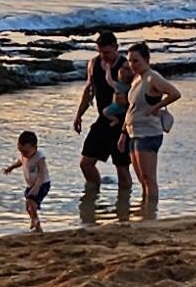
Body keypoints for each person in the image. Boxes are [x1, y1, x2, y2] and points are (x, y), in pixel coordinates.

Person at [69, 31, 127, 197]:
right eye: (100, 52)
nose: (104, 56)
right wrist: (79, 115)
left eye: (107, 52)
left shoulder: (125, 66)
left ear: (116, 48)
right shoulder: (94, 63)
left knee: (122, 169)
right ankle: (93, 197)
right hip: (103, 120)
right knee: (86, 163)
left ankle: (124, 208)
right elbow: (89, 90)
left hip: (122, 122)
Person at [122, 42, 180, 205]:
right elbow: (131, 108)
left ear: (146, 59)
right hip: (134, 132)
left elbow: (174, 93)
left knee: (148, 177)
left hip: (149, 133)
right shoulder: (136, 79)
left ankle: (151, 212)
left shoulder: (152, 77)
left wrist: (156, 107)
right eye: (130, 61)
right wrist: (123, 133)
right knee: (141, 177)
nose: (132, 65)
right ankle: (145, 206)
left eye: (136, 61)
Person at [4, 129, 51, 229]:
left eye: (26, 152)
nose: (24, 154)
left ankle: (35, 220)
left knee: (31, 199)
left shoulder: (39, 157)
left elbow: (42, 173)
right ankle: (34, 221)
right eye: (21, 151)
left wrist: (37, 187)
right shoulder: (24, 155)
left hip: (42, 183)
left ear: (35, 148)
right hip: (31, 184)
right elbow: (20, 162)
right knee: (28, 206)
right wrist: (11, 167)